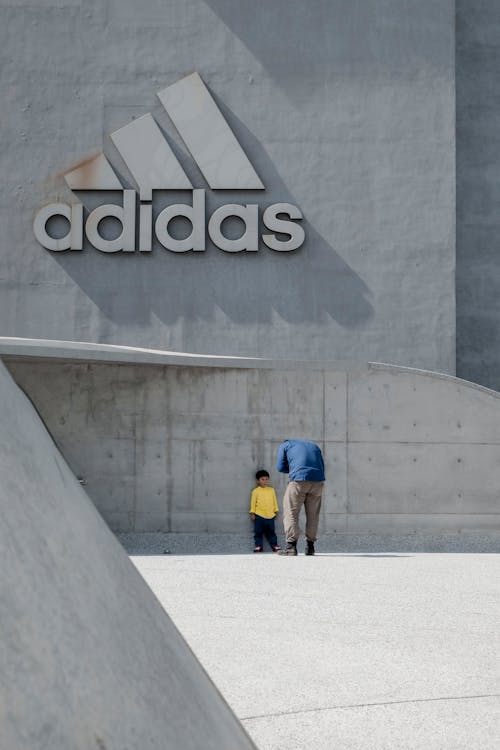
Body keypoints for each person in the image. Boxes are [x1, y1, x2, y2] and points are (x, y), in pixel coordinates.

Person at [276, 440, 325, 556]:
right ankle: (310, 547)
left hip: (298, 480)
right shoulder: (314, 445)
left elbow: (280, 467)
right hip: (318, 481)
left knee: (291, 512)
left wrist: (294, 467)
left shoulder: (285, 445)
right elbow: (321, 464)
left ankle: (291, 547)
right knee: (313, 515)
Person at [249, 470, 281, 552]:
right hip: (259, 515)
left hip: (270, 515)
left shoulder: (271, 490)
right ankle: (258, 546)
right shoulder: (255, 491)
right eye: (262, 479)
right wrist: (252, 513)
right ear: (258, 480)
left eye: (266, 479)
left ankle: (275, 545)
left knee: (271, 532)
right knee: (258, 532)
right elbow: (253, 502)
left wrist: (276, 510)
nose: (265, 481)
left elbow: (274, 501)